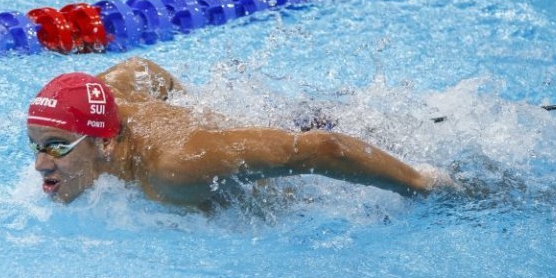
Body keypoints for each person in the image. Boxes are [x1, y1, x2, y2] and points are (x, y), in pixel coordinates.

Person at [27, 57, 452, 206]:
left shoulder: (175, 167)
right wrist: (198, 109)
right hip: (255, 132)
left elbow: (324, 148)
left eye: (57, 147)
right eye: (36, 146)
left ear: (104, 142)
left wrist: (421, 183)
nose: (40, 164)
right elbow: (140, 69)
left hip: (313, 155)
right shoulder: (100, 103)